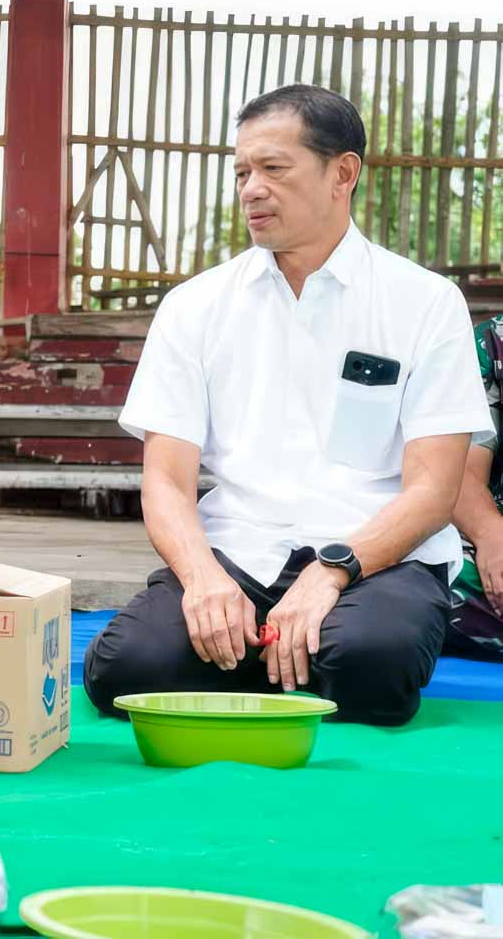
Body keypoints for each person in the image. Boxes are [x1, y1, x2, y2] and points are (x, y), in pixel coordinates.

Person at [83, 84, 491, 726]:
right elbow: (165, 480)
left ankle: (269, 649)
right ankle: (270, 643)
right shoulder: (196, 306)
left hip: (377, 559)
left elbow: (434, 490)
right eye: (242, 170)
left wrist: (331, 574)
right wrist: (202, 580)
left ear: (343, 173)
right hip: (238, 552)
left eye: (274, 168)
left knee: (371, 664)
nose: (250, 188)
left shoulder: (425, 301)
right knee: (128, 670)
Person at [446, 314, 503, 659]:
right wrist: (491, 534)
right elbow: (456, 471)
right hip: (493, 534)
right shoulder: (490, 343)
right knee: (436, 569)